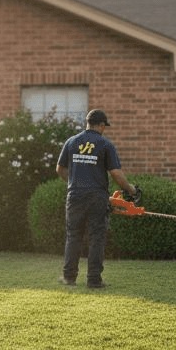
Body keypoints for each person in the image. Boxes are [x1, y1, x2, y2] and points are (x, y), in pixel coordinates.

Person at [55, 109, 140, 289]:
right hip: (97, 197)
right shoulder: (105, 144)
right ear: (101, 126)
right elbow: (116, 174)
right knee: (96, 237)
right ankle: (94, 280)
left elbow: (60, 169)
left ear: (87, 123)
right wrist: (131, 190)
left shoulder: (71, 142)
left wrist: (74, 182)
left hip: (75, 195)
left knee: (73, 236)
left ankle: (69, 277)